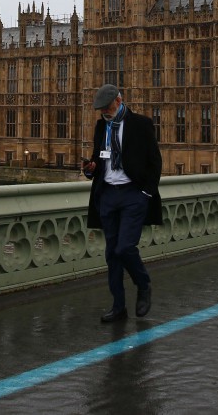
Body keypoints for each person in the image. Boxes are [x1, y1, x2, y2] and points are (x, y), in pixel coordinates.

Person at [82, 83, 163, 323]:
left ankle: (143, 284)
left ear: (118, 101)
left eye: (107, 108)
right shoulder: (101, 126)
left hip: (132, 195)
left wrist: (146, 193)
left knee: (124, 248)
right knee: (112, 255)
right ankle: (118, 307)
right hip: (108, 195)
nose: (104, 113)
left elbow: (155, 162)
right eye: (101, 110)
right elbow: (100, 158)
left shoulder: (141, 124)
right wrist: (91, 168)